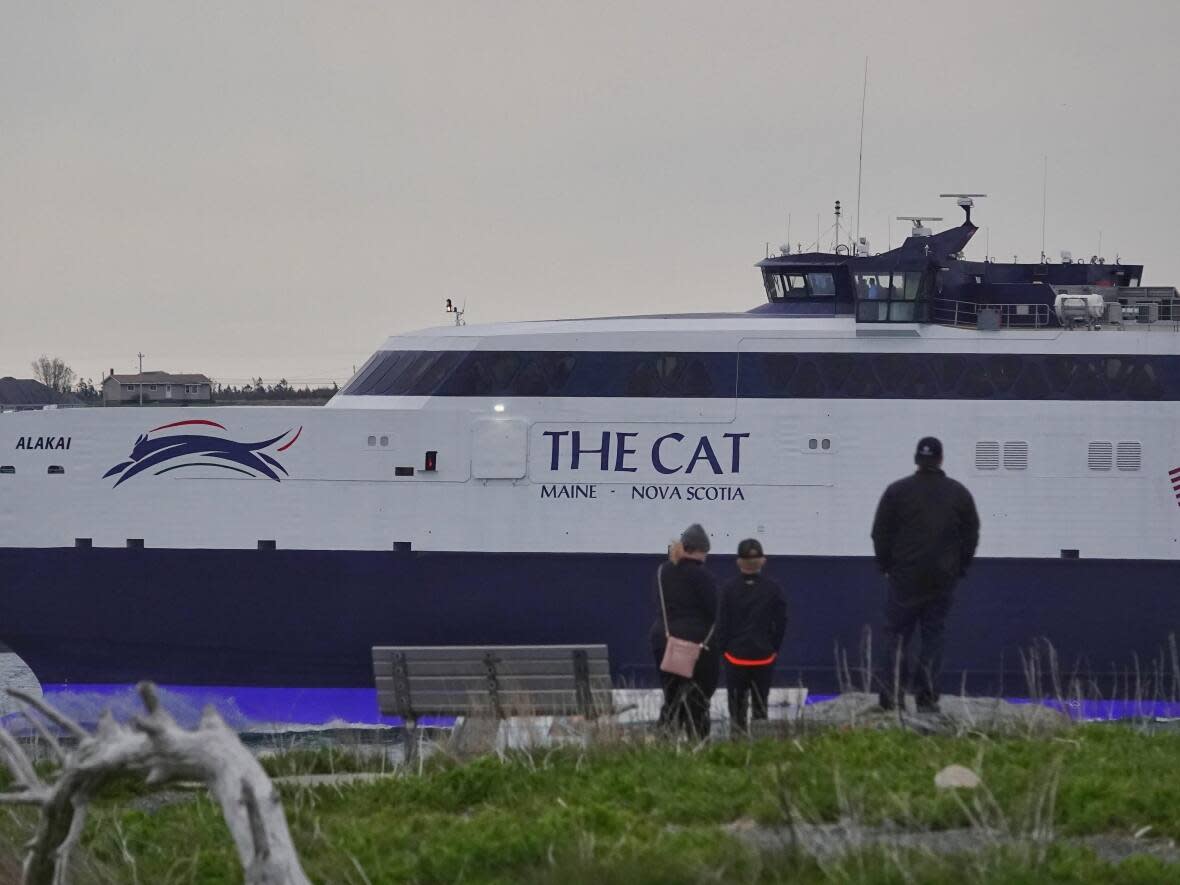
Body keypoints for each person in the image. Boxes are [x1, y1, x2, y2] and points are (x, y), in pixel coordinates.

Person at [871, 437, 980, 713]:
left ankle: (892, 697)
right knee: (933, 637)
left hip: (905, 577)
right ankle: (927, 698)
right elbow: (971, 535)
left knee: (896, 636)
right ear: (941, 460)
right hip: (942, 578)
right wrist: (959, 568)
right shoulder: (958, 493)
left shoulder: (897, 491)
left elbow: (880, 533)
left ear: (916, 459)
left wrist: (886, 567)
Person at [651, 523, 720, 738]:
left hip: (665, 640)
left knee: (671, 698)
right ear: (702, 550)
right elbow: (715, 611)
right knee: (698, 701)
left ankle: (664, 743)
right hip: (696, 646)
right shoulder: (704, 577)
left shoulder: (663, 571)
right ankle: (697, 745)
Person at [721, 539, 786, 732]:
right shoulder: (773, 589)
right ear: (763, 561)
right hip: (763, 658)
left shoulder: (728, 589)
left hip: (735, 658)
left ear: (738, 562)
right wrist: (774, 648)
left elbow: (722, 623)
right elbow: (781, 622)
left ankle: (736, 748)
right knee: (760, 708)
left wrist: (724, 650)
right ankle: (760, 748)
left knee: (736, 709)